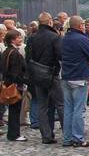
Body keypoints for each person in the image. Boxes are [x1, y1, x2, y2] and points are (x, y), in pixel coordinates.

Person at [60, 16, 89, 148]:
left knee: (68, 108)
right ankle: (78, 137)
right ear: (80, 25)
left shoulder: (64, 39)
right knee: (79, 109)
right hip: (79, 77)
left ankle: (67, 137)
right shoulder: (82, 39)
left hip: (66, 76)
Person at [27, 12, 63, 144]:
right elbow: (60, 55)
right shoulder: (55, 37)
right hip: (51, 73)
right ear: (50, 22)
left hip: (37, 74)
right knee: (60, 104)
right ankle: (67, 133)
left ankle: (46, 135)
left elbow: (28, 58)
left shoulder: (32, 37)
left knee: (42, 106)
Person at [1, 29, 28, 142]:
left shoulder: (6, 51)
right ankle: (14, 134)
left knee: (13, 109)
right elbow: (16, 72)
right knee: (15, 110)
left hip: (7, 82)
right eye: (19, 38)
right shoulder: (15, 53)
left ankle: (13, 133)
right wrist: (23, 82)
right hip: (15, 85)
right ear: (13, 40)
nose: (21, 39)